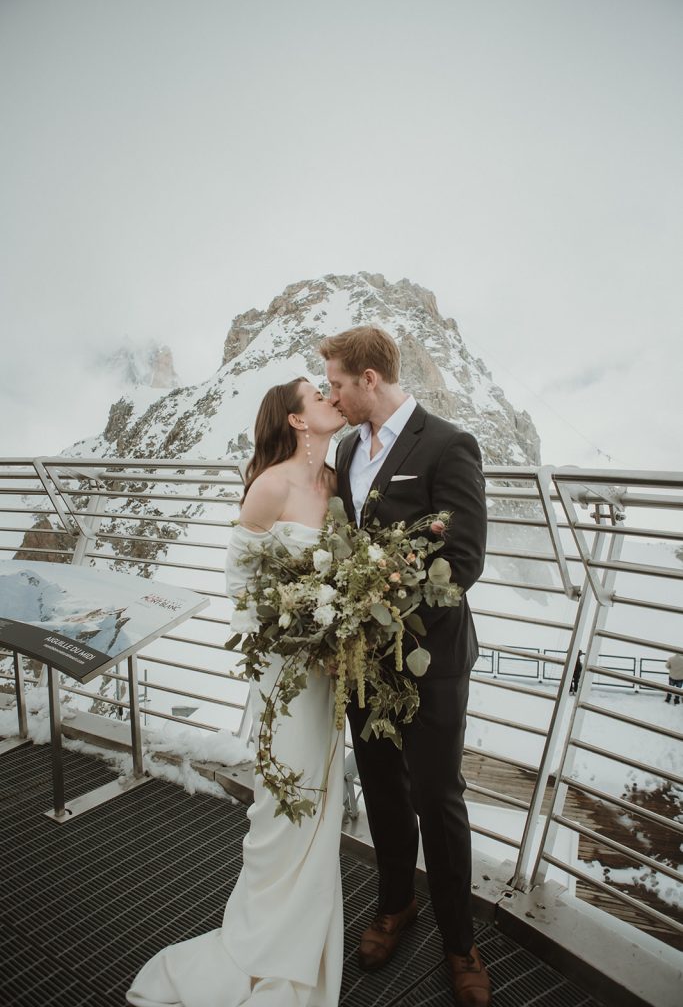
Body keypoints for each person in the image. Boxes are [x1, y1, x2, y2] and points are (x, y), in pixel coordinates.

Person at [127, 378, 347, 1007]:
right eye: (317, 394)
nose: (330, 397)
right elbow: (241, 584)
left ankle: (306, 937)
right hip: (286, 670)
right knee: (285, 799)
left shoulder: (334, 484)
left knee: (321, 793)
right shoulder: (271, 484)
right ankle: (266, 944)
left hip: (327, 671)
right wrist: (292, 626)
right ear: (298, 421)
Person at [321, 326, 491, 1007]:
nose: (330, 394)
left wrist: (384, 587)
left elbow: (466, 556)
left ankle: (460, 943)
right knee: (382, 789)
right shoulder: (343, 448)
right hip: (365, 657)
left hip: (431, 656)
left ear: (369, 378)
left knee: (436, 798)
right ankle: (395, 905)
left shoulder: (447, 444)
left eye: (335, 382)